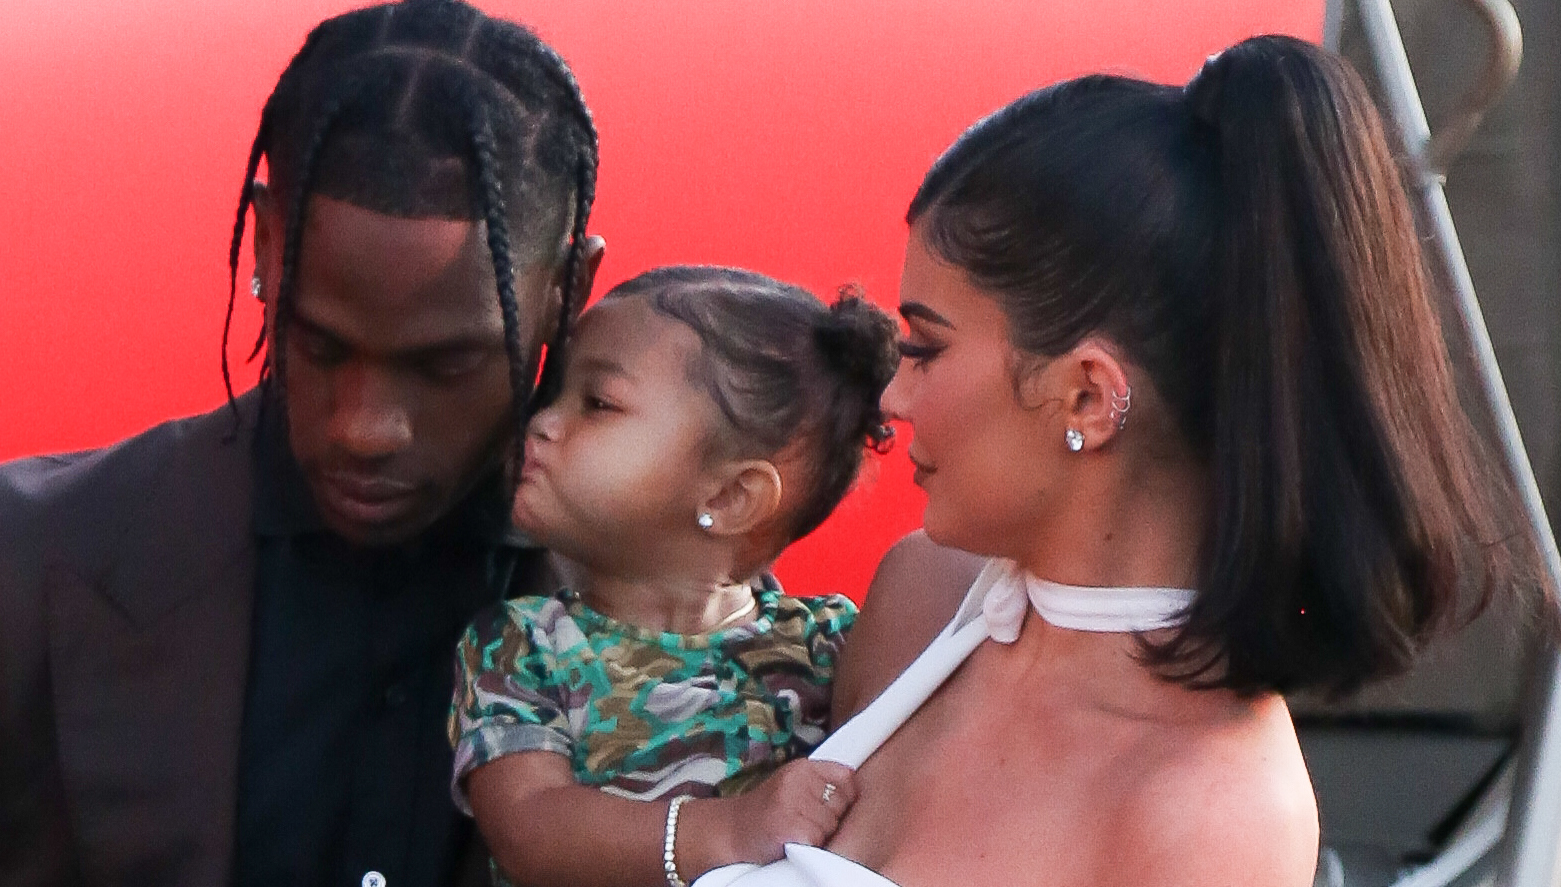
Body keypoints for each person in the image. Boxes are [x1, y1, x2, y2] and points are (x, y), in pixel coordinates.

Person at [697, 35, 1552, 887]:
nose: (892, 396)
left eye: (924, 346)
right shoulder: (923, 592)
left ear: (1088, 397)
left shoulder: (1211, 814)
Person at [0, 2, 605, 885]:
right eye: (320, 346)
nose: (366, 428)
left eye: (445, 364)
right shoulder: (32, 557)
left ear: (570, 287)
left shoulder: (696, 622)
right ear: (265, 242)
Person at [448, 266, 900, 887]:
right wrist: (726, 831)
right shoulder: (522, 646)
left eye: (597, 403)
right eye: (556, 393)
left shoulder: (832, 648)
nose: (543, 422)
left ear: (734, 496)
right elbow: (529, 826)